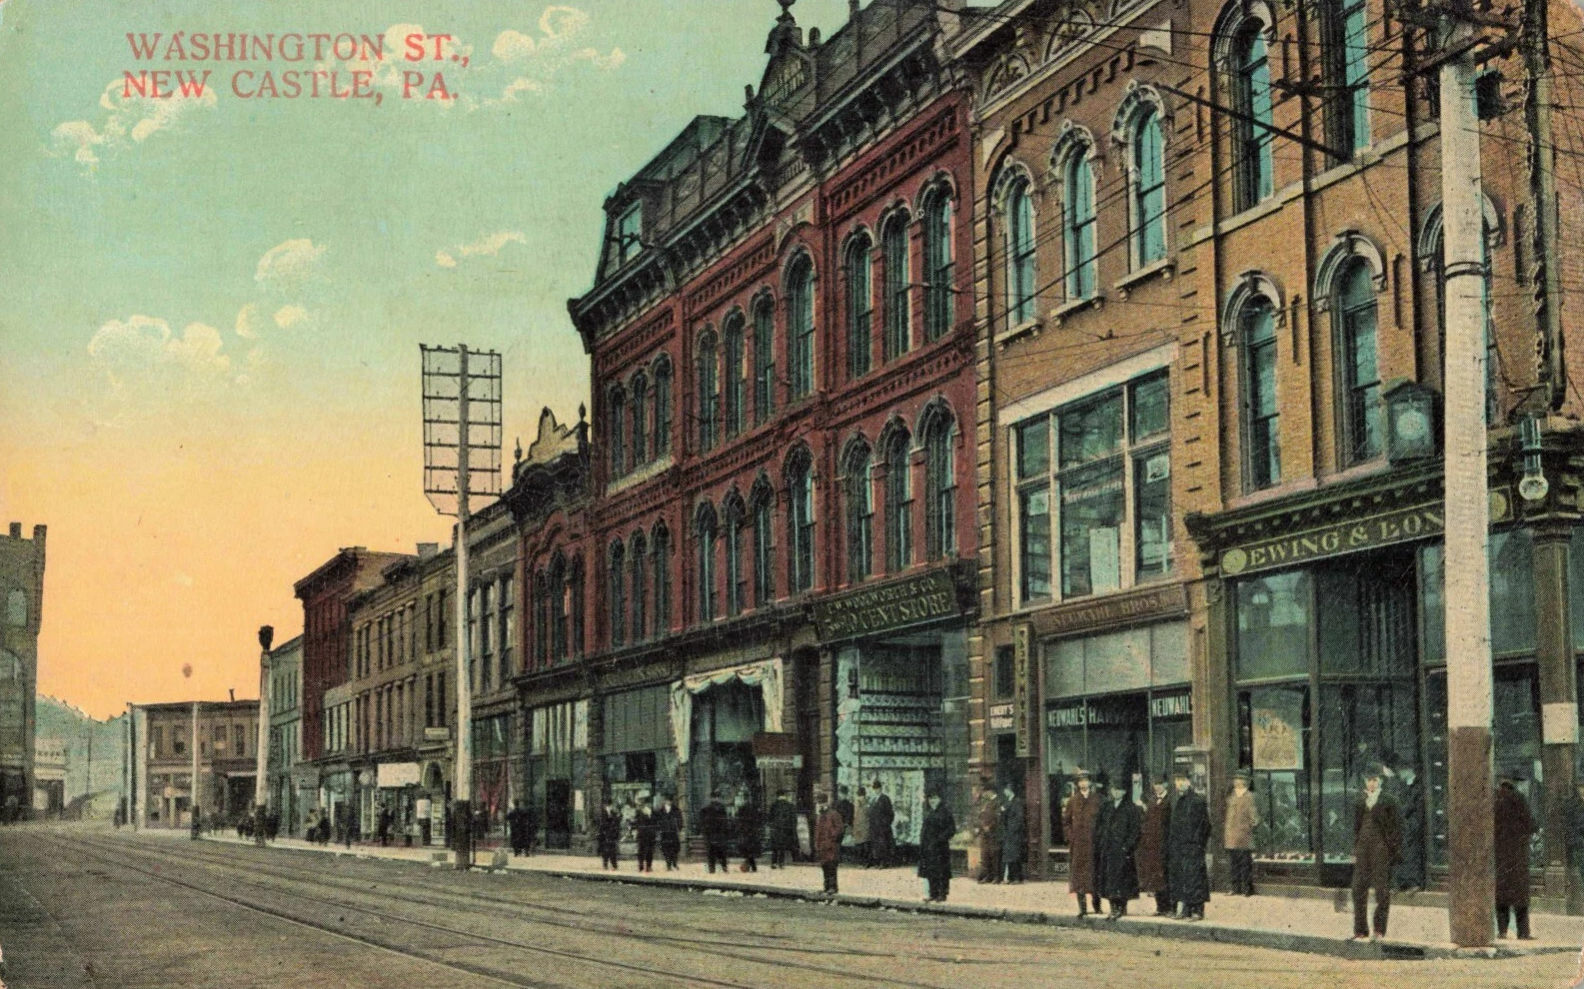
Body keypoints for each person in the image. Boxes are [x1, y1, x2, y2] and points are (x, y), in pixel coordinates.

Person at [1350, 764, 1402, 941]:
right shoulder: (1359, 801)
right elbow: (1355, 828)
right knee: (1358, 888)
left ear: (1380, 781)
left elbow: (1397, 828)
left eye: (1374, 780)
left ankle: (1379, 930)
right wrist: (1354, 848)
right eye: (1368, 780)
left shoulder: (1389, 800)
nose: (1371, 784)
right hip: (1363, 848)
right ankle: (1360, 930)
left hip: (1381, 849)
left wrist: (1393, 850)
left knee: (1381, 890)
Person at [1094, 775, 1143, 919]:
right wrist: (1102, 841)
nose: (1116, 792)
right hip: (1108, 849)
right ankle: (1113, 906)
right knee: (1109, 879)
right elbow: (1099, 826)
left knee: (1122, 880)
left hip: (1122, 851)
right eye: (1114, 789)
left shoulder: (1130, 808)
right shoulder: (1107, 807)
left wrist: (1127, 847)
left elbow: (1135, 830)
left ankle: (1121, 906)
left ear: (1124, 792)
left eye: (1119, 790)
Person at [1495, 770, 1536, 940]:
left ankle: (1502, 931)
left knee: (1501, 895)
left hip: (1499, 853)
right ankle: (1523, 932)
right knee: (1520, 896)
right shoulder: (1519, 799)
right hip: (1518, 852)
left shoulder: (1495, 800)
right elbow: (1531, 824)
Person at [1166, 769, 1211, 921]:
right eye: (1177, 780)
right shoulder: (1176, 801)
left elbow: (1205, 826)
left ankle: (1197, 910)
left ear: (1189, 782)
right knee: (1181, 878)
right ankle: (1185, 909)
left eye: (1182, 780)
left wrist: (1197, 844)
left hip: (1192, 847)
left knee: (1194, 878)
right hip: (1178, 847)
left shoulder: (1197, 801)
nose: (1179, 783)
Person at [1062, 770, 1102, 917]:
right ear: (1077, 784)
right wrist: (1071, 836)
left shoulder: (1098, 799)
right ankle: (1082, 908)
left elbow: (1103, 821)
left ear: (1090, 783)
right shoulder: (1072, 801)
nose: (1083, 783)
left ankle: (1097, 905)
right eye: (1080, 781)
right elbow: (1066, 822)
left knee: (1095, 874)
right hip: (1078, 845)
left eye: (1086, 780)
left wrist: (1099, 837)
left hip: (1093, 844)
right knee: (1079, 877)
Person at [1137, 776, 1173, 916]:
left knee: (1166, 876)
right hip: (1153, 845)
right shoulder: (1152, 801)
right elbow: (1146, 821)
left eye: (1160, 784)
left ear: (1166, 784)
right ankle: (1160, 907)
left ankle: (1170, 907)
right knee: (1156, 876)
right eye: (1155, 784)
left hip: (1165, 844)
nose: (1157, 787)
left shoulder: (1170, 800)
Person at [1390, 758, 1425, 893]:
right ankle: (1401, 882)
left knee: (1412, 854)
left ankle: (1414, 882)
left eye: (1401, 771)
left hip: (1413, 824)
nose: (1399, 774)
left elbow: (1409, 806)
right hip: (1405, 825)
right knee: (1402, 853)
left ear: (1408, 770)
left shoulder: (1417, 786)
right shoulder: (1405, 785)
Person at [1224, 771, 1258, 896]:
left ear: (1245, 782)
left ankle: (1247, 888)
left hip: (1244, 835)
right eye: (1236, 779)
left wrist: (1251, 825)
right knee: (1233, 863)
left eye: (1239, 779)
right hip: (1231, 835)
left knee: (1245, 863)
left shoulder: (1249, 796)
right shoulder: (1231, 796)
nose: (1236, 781)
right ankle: (1235, 887)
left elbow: (1254, 816)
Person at [918, 792, 956, 903]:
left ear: (940, 799)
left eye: (934, 798)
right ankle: (933, 893)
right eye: (930, 798)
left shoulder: (945, 812)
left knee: (941, 871)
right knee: (931, 871)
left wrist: (940, 839)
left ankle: (942, 894)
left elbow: (951, 829)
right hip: (928, 847)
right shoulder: (929, 812)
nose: (932, 801)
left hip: (940, 847)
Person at [815, 793, 845, 895]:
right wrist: (817, 843)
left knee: (831, 866)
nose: (820, 805)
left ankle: (833, 887)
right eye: (819, 803)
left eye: (821, 803)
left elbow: (840, 829)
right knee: (825, 866)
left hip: (831, 845)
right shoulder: (820, 816)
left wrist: (832, 837)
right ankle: (827, 886)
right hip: (822, 846)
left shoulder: (833, 814)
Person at [974, 780, 1003, 884]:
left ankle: (997, 876)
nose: (984, 794)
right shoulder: (985, 803)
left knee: (994, 855)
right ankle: (988, 876)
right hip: (985, 833)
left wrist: (990, 826)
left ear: (990, 791)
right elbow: (980, 816)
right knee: (985, 855)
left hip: (994, 833)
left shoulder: (998, 802)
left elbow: (998, 817)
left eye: (985, 791)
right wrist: (981, 827)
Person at [1001, 782, 1027, 884]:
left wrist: (1012, 830)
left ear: (1010, 791)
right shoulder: (1008, 801)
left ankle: (1017, 877)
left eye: (1006, 790)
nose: (1004, 792)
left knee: (1015, 856)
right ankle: (1011, 877)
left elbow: (1019, 819)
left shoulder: (1017, 802)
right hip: (1009, 833)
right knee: (1010, 856)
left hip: (1015, 834)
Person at [700, 792, 731, 873]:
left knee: (712, 852)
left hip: (713, 834)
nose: (716, 799)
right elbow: (725, 822)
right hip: (717, 834)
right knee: (720, 852)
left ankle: (713, 869)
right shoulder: (720, 808)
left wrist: (705, 832)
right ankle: (722, 868)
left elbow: (702, 822)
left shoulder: (706, 808)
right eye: (715, 797)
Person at [868, 780, 895, 868]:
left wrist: (885, 823)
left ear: (881, 788)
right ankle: (878, 862)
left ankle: (884, 862)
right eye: (875, 788)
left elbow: (890, 813)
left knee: (883, 844)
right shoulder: (873, 799)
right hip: (874, 827)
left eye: (878, 788)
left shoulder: (885, 798)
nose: (876, 790)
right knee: (876, 845)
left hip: (882, 827)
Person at [768, 790, 797, 868]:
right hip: (785, 828)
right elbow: (793, 818)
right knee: (782, 846)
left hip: (775, 828)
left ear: (777, 796)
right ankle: (781, 863)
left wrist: (771, 825)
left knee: (774, 846)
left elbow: (770, 817)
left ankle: (774, 862)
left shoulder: (774, 805)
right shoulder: (790, 805)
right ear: (785, 795)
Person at [735, 792, 763, 873]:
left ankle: (750, 866)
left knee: (747, 850)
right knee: (750, 850)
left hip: (746, 832)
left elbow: (739, 820)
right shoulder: (754, 809)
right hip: (751, 832)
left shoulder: (742, 809)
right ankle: (752, 866)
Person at [658, 794, 683, 870]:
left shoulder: (676, 809)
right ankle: (668, 864)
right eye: (667, 800)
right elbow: (658, 821)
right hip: (664, 832)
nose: (669, 802)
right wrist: (659, 829)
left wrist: (679, 828)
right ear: (665, 801)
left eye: (670, 801)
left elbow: (680, 820)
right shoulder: (660, 811)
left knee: (675, 848)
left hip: (673, 832)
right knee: (665, 848)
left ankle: (674, 863)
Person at [633, 797, 657, 872]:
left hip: (650, 834)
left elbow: (655, 822)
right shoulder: (639, 812)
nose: (648, 805)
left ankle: (648, 866)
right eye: (647, 804)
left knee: (649, 851)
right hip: (642, 834)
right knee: (641, 850)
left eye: (649, 804)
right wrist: (636, 830)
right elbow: (636, 822)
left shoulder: (653, 812)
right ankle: (641, 866)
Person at [597, 798, 622, 870]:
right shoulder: (604, 813)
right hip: (605, 834)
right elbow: (603, 823)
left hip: (610, 834)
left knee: (610, 850)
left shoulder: (612, 812)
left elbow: (616, 821)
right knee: (607, 850)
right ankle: (607, 865)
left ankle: (612, 865)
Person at [851, 785, 871, 867]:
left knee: (860, 845)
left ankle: (862, 862)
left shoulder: (857, 802)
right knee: (866, 844)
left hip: (858, 826)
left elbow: (855, 815)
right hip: (866, 826)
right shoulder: (867, 802)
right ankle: (866, 862)